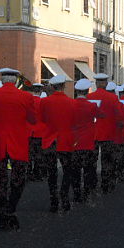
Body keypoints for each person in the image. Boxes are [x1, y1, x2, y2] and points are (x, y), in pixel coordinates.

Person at [0, 67, 36, 230]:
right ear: (16, 80)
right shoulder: (26, 96)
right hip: (18, 142)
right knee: (18, 179)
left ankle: (1, 214)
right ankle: (11, 208)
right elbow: (32, 119)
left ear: (2, 80)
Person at [39, 74, 76, 212]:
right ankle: (64, 196)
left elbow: (42, 119)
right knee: (67, 170)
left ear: (52, 87)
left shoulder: (45, 102)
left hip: (50, 140)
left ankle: (53, 200)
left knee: (51, 172)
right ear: (64, 86)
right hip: (66, 141)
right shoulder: (72, 102)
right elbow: (74, 122)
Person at [89, 73, 124, 193]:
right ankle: (105, 183)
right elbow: (119, 117)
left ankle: (92, 184)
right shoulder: (113, 98)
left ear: (96, 83)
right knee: (107, 160)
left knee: (92, 160)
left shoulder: (89, 97)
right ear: (106, 84)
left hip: (92, 134)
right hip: (108, 134)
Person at [72, 78, 99, 202]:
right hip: (88, 140)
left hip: (74, 141)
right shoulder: (92, 105)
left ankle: (77, 193)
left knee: (75, 169)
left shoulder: (70, 104)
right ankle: (87, 191)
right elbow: (99, 116)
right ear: (87, 91)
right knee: (88, 168)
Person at [27, 83, 47, 181]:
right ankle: (37, 174)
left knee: (29, 154)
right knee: (39, 155)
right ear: (41, 91)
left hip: (28, 132)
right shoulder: (43, 103)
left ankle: (28, 173)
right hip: (40, 132)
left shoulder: (27, 102)